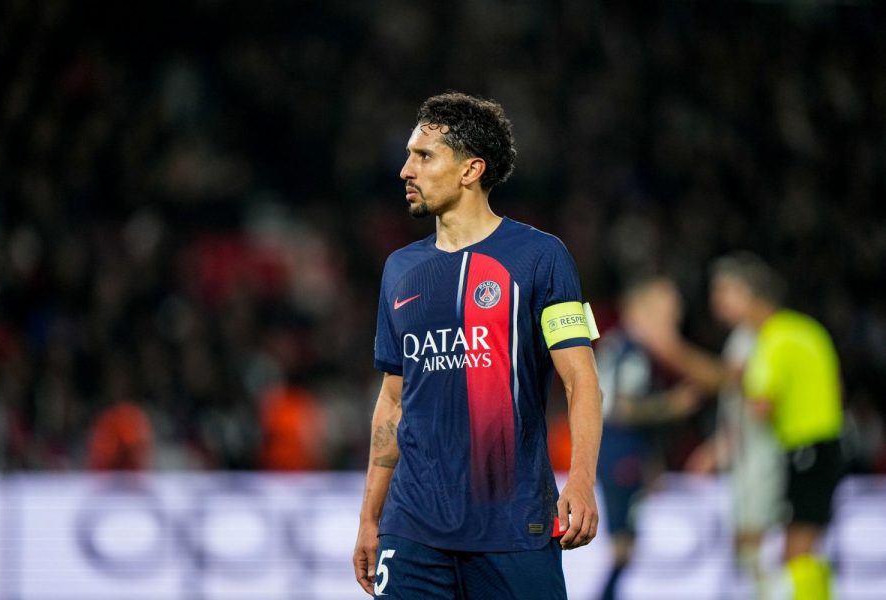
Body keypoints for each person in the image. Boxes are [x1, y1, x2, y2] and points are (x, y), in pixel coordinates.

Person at [352, 92, 603, 599]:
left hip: (514, 525)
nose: (406, 170)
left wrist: (580, 480)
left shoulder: (540, 257)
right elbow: (393, 401)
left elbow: (581, 380)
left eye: (424, 156)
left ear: (471, 170)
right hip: (413, 527)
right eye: (409, 155)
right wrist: (370, 517)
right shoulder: (400, 269)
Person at [632, 252, 843, 600]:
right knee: (799, 547)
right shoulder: (803, 329)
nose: (717, 303)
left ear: (748, 293)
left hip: (802, 448)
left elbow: (758, 403)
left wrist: (671, 349)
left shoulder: (773, 338)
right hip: (822, 444)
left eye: (724, 292)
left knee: (793, 548)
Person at [592, 274, 701, 599]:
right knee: (623, 545)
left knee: (627, 543)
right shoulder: (631, 351)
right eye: (668, 307)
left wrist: (651, 463)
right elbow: (622, 408)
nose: (675, 315)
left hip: (622, 452)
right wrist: (673, 405)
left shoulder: (620, 345)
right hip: (620, 452)